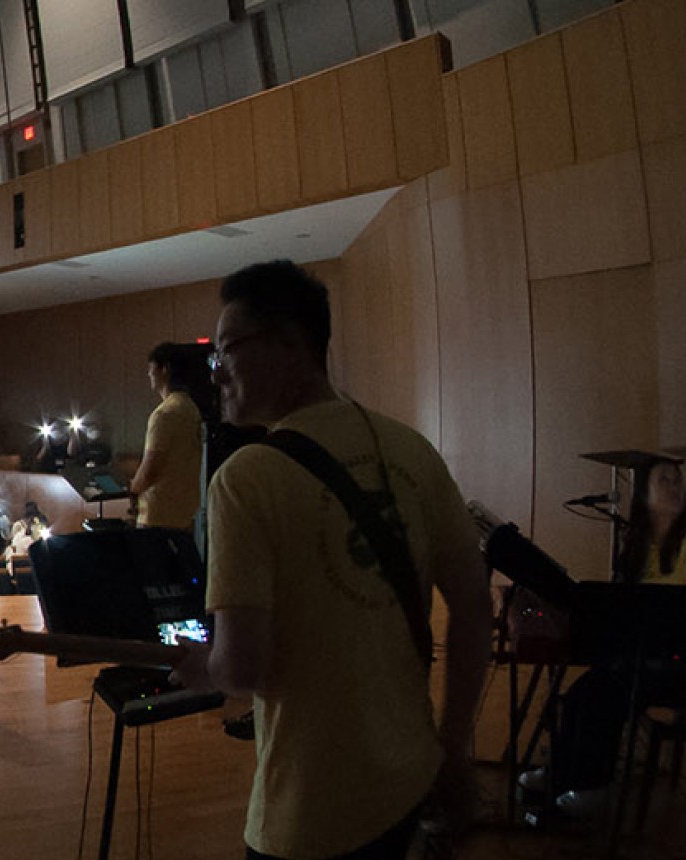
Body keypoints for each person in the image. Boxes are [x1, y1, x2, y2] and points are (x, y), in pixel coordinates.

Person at [170, 261, 493, 860]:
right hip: (410, 776)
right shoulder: (410, 448)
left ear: (290, 344)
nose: (216, 373)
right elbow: (474, 606)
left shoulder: (245, 479)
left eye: (227, 350)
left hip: (309, 812)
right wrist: (453, 748)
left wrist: (203, 667)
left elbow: (243, 668)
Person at [516, 457, 686, 817]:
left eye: (677, 480)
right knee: (578, 695)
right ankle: (561, 772)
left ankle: (593, 786)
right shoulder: (639, 543)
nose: (675, 487)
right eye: (664, 480)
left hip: (679, 661)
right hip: (639, 654)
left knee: (603, 697)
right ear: (644, 494)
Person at [128, 343, 212, 531]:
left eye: (151, 368)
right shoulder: (191, 408)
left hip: (157, 516)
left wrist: (132, 489)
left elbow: (150, 471)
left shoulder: (163, 414)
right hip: (184, 514)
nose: (148, 374)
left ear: (165, 369)